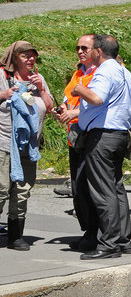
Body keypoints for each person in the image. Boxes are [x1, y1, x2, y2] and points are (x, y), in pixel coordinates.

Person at [74, 34, 131, 259]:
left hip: (103, 136)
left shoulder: (105, 71)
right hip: (120, 134)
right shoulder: (125, 73)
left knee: (103, 190)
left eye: (90, 49)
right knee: (117, 187)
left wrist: (79, 89)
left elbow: (97, 98)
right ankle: (122, 240)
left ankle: (108, 244)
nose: (86, 53)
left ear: (99, 51)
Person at [1, 40, 54, 250]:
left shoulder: (38, 79)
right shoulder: (3, 77)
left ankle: (15, 236)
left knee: (22, 191)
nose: (31, 59)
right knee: (2, 189)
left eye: (33, 55)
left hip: (29, 146)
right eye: (25, 55)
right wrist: (4, 95)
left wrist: (41, 88)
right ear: (14, 58)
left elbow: (49, 107)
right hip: (4, 142)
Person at [55, 35, 98, 208]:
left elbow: (101, 104)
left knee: (89, 184)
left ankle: (95, 229)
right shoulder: (78, 73)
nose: (80, 51)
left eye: (84, 48)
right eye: (77, 48)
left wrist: (74, 112)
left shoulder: (100, 73)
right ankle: (87, 228)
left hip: (91, 134)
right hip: (74, 135)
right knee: (77, 185)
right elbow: (67, 99)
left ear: (96, 50)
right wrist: (62, 110)